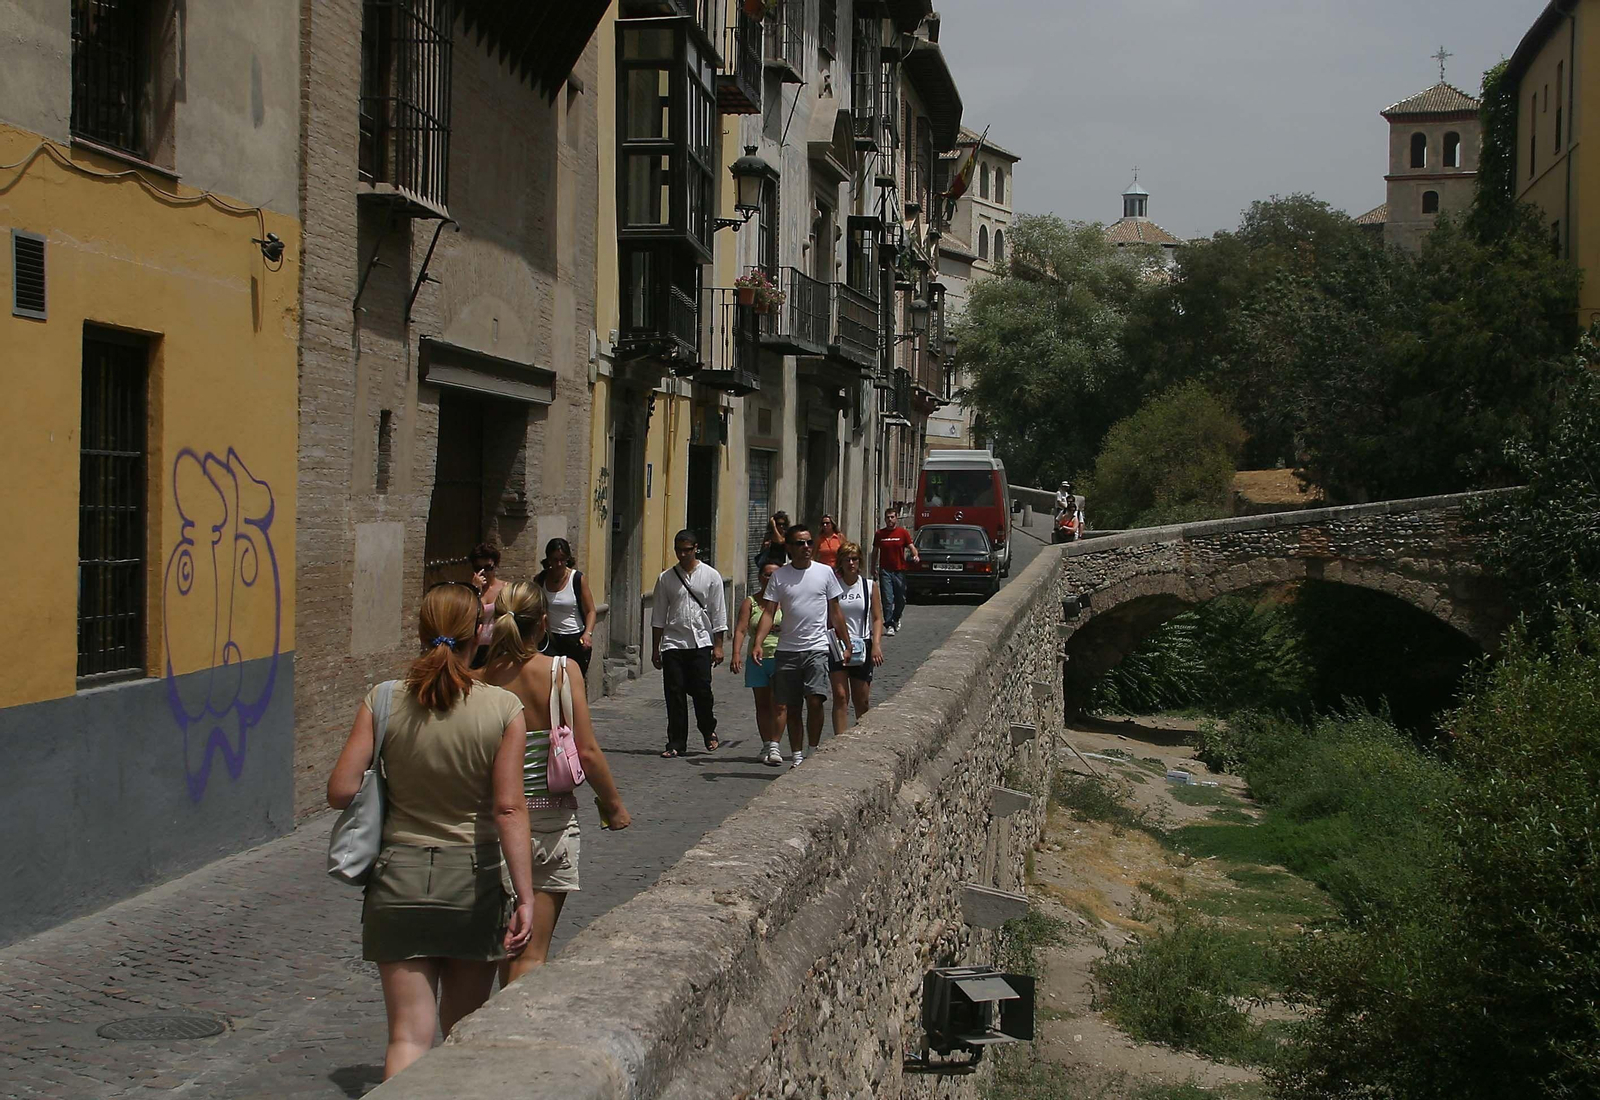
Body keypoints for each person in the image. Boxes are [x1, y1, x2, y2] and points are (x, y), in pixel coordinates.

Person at [326, 582, 534, 1081]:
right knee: (461, 1033)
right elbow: (509, 809)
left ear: (420, 632)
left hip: (398, 878)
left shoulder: (382, 700)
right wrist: (525, 896)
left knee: (407, 1037)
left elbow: (339, 791)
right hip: (473, 881)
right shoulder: (503, 709)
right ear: (479, 634)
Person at [476, 581, 630, 979]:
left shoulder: (476, 679)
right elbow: (588, 750)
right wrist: (612, 806)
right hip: (547, 822)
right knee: (528, 954)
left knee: (488, 956)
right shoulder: (562, 672)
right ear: (543, 625)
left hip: (486, 823)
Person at [751, 522, 851, 768]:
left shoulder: (825, 573)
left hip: (817, 647)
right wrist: (758, 643)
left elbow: (836, 612)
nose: (806, 547)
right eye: (800, 543)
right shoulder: (780, 576)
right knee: (792, 705)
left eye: (809, 542)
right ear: (789, 547)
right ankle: (796, 755)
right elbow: (769, 611)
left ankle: (812, 750)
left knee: (816, 699)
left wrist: (846, 642)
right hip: (787, 650)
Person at [651, 529, 728, 758]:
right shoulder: (666, 578)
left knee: (702, 691)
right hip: (674, 642)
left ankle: (708, 729)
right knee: (674, 693)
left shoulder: (711, 576)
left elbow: (718, 612)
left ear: (696, 549)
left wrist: (719, 645)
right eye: (679, 550)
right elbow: (658, 616)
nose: (682, 555)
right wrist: (656, 648)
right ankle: (676, 742)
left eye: (687, 550)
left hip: (701, 642)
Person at [729, 561, 784, 766]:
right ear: (760, 577)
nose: (770, 579)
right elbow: (741, 630)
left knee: (779, 704)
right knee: (762, 704)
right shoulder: (750, 602)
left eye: (775, 575)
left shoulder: (786, 602)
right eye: (767, 575)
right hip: (757, 659)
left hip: (781, 656)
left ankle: (776, 746)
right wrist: (736, 653)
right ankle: (766, 743)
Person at [828, 541, 884, 737]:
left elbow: (877, 618)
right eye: (846, 559)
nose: (851, 563)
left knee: (862, 700)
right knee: (841, 696)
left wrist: (876, 645)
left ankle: (861, 737)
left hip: (862, 646)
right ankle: (840, 740)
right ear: (840, 562)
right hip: (837, 646)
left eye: (854, 559)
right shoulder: (833, 587)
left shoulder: (869, 586)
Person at [536, 538, 596, 679]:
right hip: (550, 638)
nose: (559, 564)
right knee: (551, 680)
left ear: (568, 559)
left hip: (573, 638)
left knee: (572, 681)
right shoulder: (540, 580)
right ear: (548, 560)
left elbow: (591, 611)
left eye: (562, 559)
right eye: (555, 559)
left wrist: (588, 633)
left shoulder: (577, 579)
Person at [871, 507, 919, 637]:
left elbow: (911, 547)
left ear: (896, 518)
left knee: (901, 599)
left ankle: (896, 617)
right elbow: (875, 551)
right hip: (885, 571)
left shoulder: (902, 533)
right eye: (888, 517)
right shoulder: (880, 534)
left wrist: (915, 555)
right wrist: (872, 567)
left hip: (899, 571)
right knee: (887, 598)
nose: (890, 520)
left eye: (892, 517)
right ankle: (889, 624)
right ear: (885, 519)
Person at [469, 542, 508, 669]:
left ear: (495, 566)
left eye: (488, 568)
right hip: (474, 647)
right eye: (478, 568)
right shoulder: (471, 591)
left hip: (498, 646)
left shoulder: (505, 589)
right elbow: (472, 614)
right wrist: (476, 591)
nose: (483, 572)